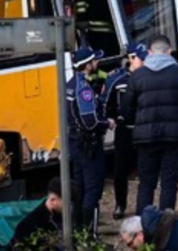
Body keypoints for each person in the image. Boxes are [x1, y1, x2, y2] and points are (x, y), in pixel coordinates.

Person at [123, 35, 178, 214]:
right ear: (169, 51)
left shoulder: (137, 76)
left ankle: (143, 226)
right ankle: (165, 226)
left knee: (146, 182)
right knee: (169, 182)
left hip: (145, 138)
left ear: (149, 52)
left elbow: (126, 110)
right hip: (175, 136)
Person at [65, 46, 108, 233]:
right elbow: (90, 121)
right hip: (88, 143)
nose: (97, 63)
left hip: (75, 142)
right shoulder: (83, 88)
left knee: (80, 187)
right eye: (94, 61)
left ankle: (78, 230)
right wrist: (107, 123)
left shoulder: (69, 84)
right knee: (93, 187)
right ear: (87, 65)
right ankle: (90, 233)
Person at [104, 43, 147, 220]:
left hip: (144, 129)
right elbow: (106, 103)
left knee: (145, 170)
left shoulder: (149, 76)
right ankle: (120, 204)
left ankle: (143, 207)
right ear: (130, 58)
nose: (144, 62)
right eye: (141, 58)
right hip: (124, 130)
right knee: (120, 170)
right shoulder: (116, 79)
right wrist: (111, 118)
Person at [8, 178, 62, 250]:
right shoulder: (28, 226)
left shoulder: (59, 216)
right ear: (53, 200)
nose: (70, 208)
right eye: (68, 203)